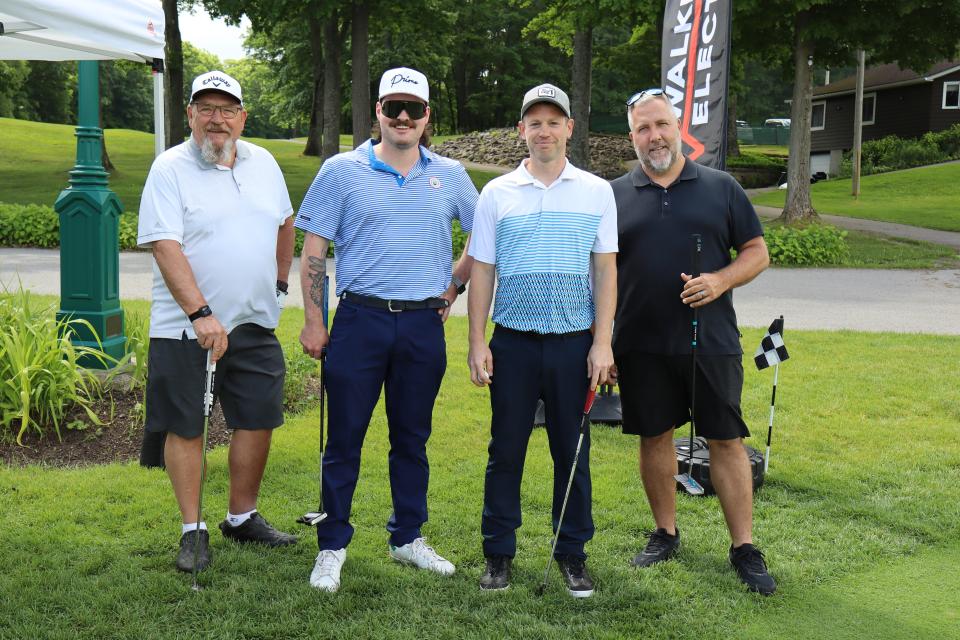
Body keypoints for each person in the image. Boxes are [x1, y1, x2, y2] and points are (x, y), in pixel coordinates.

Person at [296, 66, 479, 592]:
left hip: (423, 324)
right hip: (360, 320)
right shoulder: (341, 170)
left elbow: (481, 235)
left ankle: (407, 538)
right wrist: (314, 319)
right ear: (377, 111)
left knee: (412, 438)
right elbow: (314, 250)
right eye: (393, 107)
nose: (403, 117)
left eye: (414, 109)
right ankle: (332, 545)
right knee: (345, 438)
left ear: (427, 118)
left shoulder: (451, 175)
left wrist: (453, 287)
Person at [610, 89, 775, 595]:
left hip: (713, 340)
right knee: (654, 436)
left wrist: (722, 280)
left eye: (661, 124)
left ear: (678, 126)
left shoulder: (721, 187)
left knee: (725, 439)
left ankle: (743, 547)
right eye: (643, 128)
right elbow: (599, 271)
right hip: (639, 342)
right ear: (632, 136)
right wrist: (603, 342)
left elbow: (757, 251)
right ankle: (665, 532)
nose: (653, 136)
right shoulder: (611, 194)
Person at [137, 70, 298, 574]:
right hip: (188, 328)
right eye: (205, 108)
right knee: (186, 425)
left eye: (227, 110)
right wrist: (201, 312)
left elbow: (285, 220)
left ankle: (241, 516)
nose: (216, 119)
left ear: (242, 117)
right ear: (189, 115)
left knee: (258, 419)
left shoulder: (265, 162)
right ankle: (192, 530)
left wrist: (278, 279)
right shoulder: (170, 168)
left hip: (255, 323)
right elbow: (165, 244)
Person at [467, 83, 618, 598]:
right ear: (521, 130)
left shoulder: (597, 191)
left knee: (570, 450)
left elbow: (605, 271)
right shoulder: (497, 193)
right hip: (512, 342)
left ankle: (572, 553)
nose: (545, 130)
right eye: (535, 122)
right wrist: (477, 341)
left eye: (555, 121)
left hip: (574, 344)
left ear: (569, 128)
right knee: (505, 449)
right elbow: (483, 271)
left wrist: (603, 343)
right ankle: (498, 554)